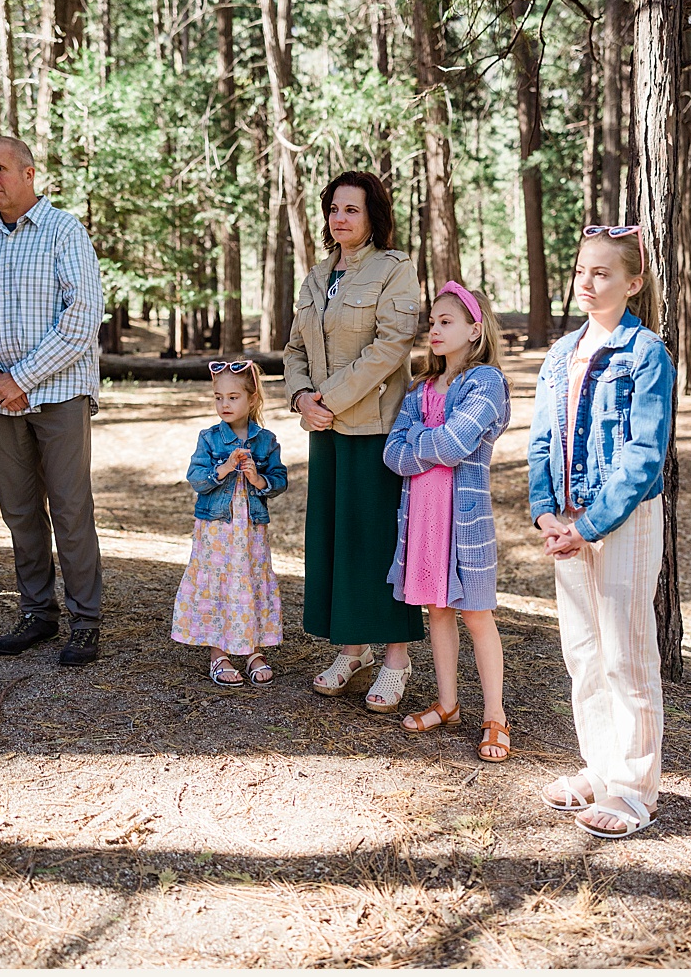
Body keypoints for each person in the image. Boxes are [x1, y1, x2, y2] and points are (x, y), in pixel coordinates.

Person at [529, 227, 674, 839]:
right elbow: (540, 440)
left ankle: (635, 790)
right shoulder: (561, 354)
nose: (587, 284)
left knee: (625, 653)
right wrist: (546, 514)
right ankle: (601, 766)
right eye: (582, 271)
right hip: (566, 522)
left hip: (622, 521)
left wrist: (588, 525)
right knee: (583, 653)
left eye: (603, 274)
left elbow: (644, 454)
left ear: (632, 282)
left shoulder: (646, 354)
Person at [0, 136, 109, 666]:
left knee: (69, 508)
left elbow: (82, 316)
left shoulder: (65, 232)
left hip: (60, 393)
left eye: (0, 168)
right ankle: (37, 612)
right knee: (20, 511)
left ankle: (85, 621)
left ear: (28, 173)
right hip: (0, 401)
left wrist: (21, 377)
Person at [283, 171, 423, 711]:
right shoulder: (317, 276)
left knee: (376, 544)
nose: (340, 218)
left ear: (373, 217)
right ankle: (352, 648)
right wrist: (301, 399)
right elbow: (295, 349)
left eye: (352, 210)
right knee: (337, 542)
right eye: (334, 209)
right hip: (326, 428)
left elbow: (391, 346)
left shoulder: (394, 269)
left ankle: (395, 659)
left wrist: (330, 400)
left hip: (376, 429)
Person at [383, 283, 512, 761]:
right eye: (432, 322)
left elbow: (457, 444)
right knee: (437, 611)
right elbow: (392, 455)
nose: (433, 330)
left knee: (476, 615)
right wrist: (429, 440)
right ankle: (448, 703)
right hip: (421, 520)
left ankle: (495, 716)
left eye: (446, 322)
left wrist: (421, 439)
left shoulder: (486, 384)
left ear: (474, 330)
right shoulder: (420, 389)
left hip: (465, 523)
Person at [171, 360, 288, 687]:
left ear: (251, 399)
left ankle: (251, 648)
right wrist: (223, 469)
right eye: (218, 397)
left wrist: (258, 477)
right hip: (216, 528)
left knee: (250, 577)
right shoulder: (209, 438)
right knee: (219, 582)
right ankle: (219, 652)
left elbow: (280, 480)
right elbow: (196, 478)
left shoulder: (266, 441)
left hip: (250, 526)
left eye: (233, 397)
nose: (225, 404)